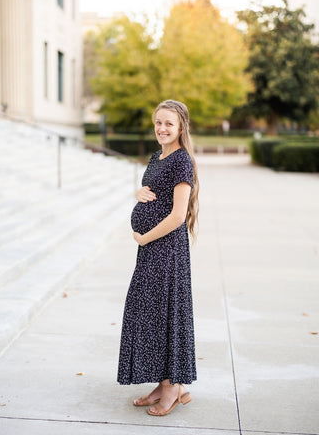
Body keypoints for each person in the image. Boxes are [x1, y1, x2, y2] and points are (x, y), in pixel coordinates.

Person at [117, 99, 199, 416]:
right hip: (150, 250)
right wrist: (139, 194)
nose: (162, 129)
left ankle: (173, 388)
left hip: (166, 249)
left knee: (165, 313)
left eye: (169, 124)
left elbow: (178, 215)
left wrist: (143, 237)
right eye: (158, 123)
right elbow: (150, 191)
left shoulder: (182, 161)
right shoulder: (157, 156)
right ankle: (162, 383)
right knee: (148, 313)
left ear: (181, 128)